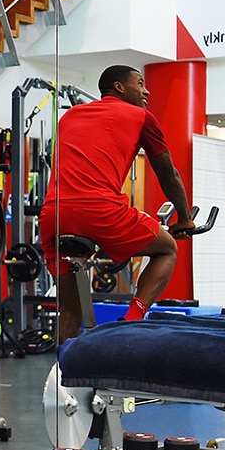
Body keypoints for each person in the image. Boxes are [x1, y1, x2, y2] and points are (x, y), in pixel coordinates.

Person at [38, 65, 194, 341]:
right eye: (140, 83)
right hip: (101, 210)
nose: (146, 91)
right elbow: (169, 175)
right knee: (167, 249)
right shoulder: (142, 117)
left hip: (54, 216)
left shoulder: (70, 115)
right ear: (119, 87)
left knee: (70, 312)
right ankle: (131, 320)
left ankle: (62, 378)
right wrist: (184, 217)